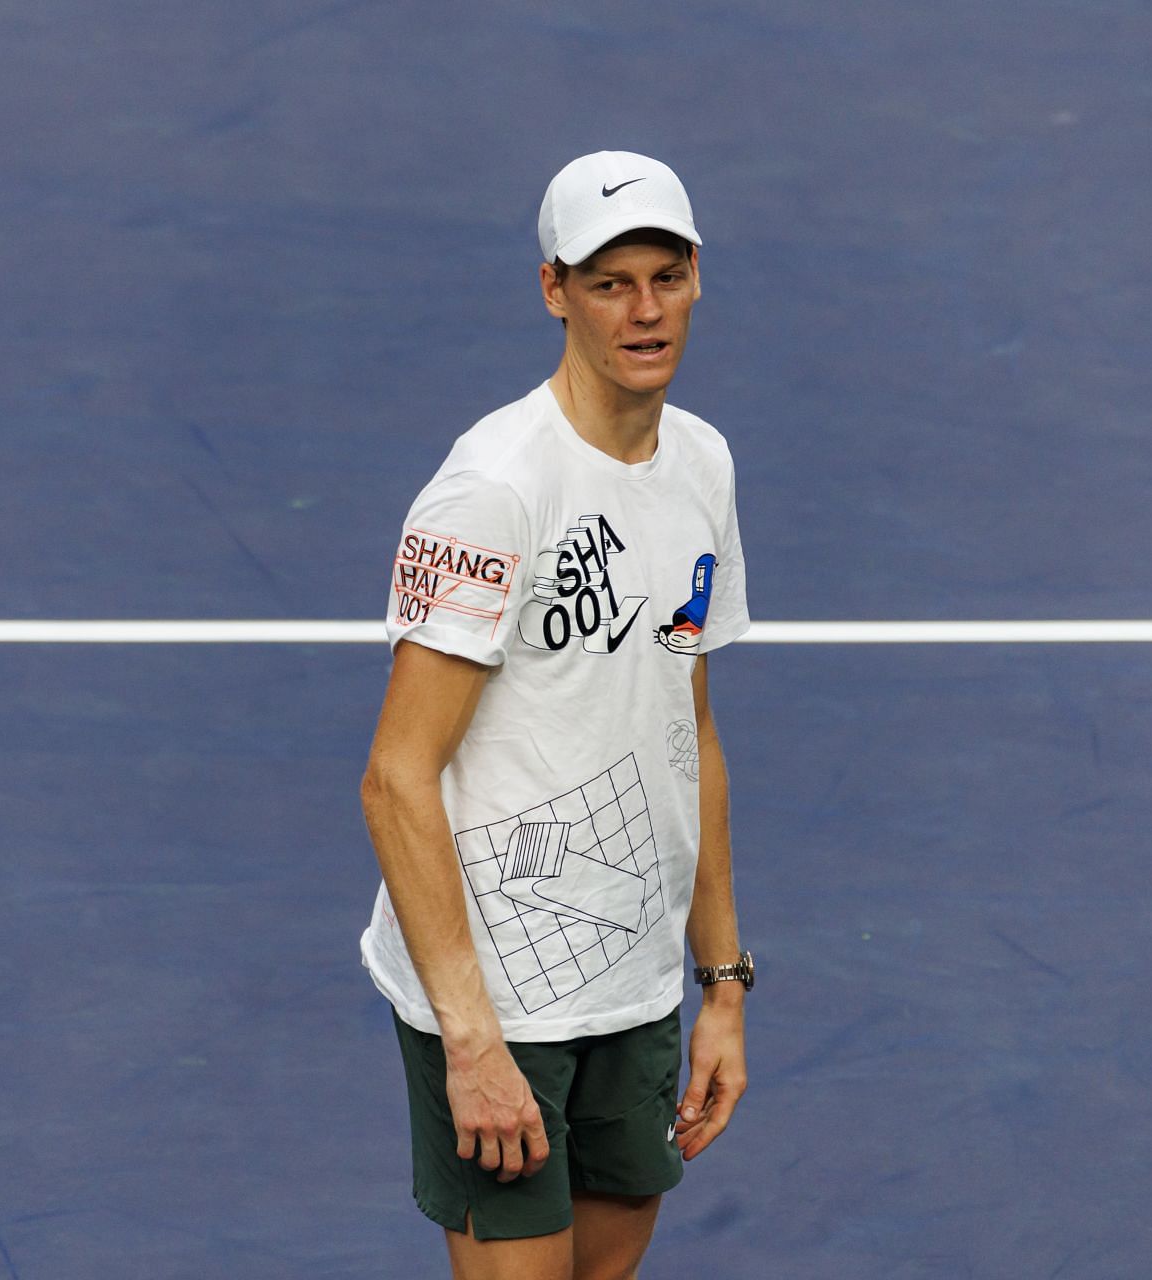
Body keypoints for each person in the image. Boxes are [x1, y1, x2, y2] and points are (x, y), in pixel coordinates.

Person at [360, 150, 754, 1280]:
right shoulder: (494, 492)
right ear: (554, 290)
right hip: (500, 991)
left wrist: (719, 985)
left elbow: (693, 732)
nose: (643, 310)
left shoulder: (703, 465)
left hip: (630, 972)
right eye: (609, 282)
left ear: (694, 280)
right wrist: (471, 1040)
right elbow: (394, 776)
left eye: (665, 277)